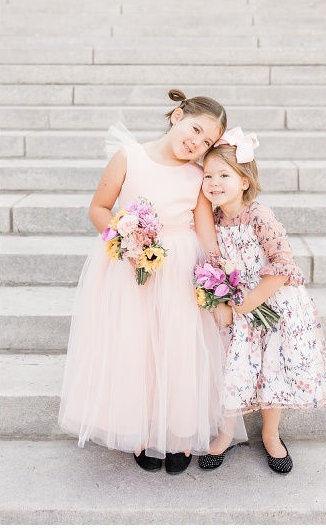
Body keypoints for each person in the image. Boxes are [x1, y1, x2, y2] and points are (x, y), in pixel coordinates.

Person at [58, 89, 246, 475]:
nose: (197, 143)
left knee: (177, 344)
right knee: (137, 343)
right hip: (132, 266)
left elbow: (206, 232)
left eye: (207, 141)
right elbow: (99, 207)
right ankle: (139, 429)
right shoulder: (130, 157)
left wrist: (219, 282)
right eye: (195, 129)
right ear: (177, 116)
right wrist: (125, 240)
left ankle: (178, 433)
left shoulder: (198, 175)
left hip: (179, 265)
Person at [196, 133, 326, 474]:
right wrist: (222, 301)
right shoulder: (213, 219)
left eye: (224, 175)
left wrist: (245, 304)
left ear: (244, 182)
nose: (214, 183)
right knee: (232, 369)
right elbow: (214, 263)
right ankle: (226, 433)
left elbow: (282, 267)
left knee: (271, 371)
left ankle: (271, 434)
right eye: (208, 176)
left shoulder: (259, 215)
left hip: (270, 306)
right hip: (237, 306)